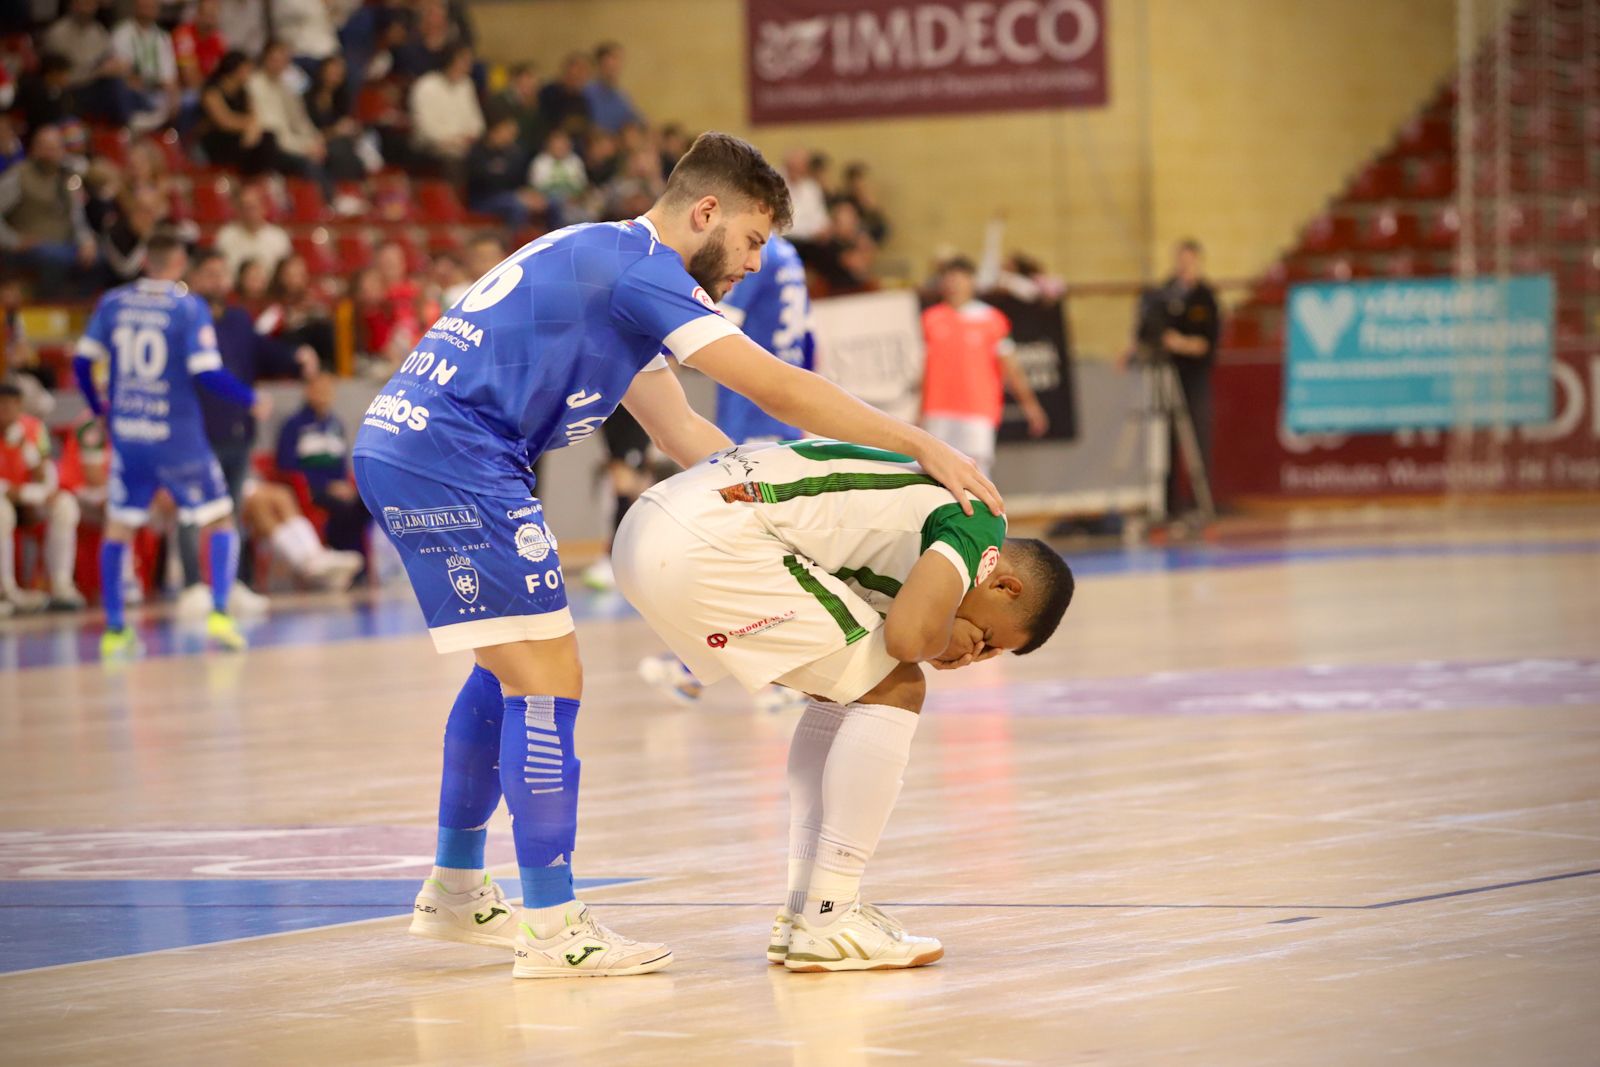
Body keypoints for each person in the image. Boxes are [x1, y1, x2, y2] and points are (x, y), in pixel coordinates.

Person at [349, 131, 999, 978]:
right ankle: (553, 928)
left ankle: (456, 887)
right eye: (755, 239)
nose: (758, 264)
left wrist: (775, 517)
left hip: (410, 445)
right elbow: (773, 384)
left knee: (505, 668)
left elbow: (683, 430)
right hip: (457, 456)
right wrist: (921, 444)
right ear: (705, 212)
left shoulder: (608, 266)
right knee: (548, 680)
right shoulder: (641, 268)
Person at [612, 439, 1073, 971]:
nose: (978, 653)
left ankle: (805, 909)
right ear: (1005, 585)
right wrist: (939, 637)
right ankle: (830, 917)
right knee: (898, 686)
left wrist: (934, 630)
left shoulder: (911, 530)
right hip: (709, 542)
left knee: (849, 689)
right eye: (989, 638)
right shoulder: (980, 527)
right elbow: (907, 640)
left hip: (649, 529)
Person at [637, 233, 814, 707]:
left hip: (753, 417)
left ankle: (747, 671)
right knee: (757, 549)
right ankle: (703, 669)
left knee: (748, 550)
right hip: (775, 420)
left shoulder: (761, 258)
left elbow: (711, 328)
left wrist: (638, 347)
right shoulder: (789, 257)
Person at [72, 232, 260, 655]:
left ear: (145, 261)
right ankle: (219, 614)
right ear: (178, 263)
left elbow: (82, 362)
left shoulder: (114, 302)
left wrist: (100, 409)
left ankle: (115, 630)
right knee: (220, 521)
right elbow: (207, 372)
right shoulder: (186, 307)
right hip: (177, 437)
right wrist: (251, 399)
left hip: (130, 434)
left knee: (118, 527)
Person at [176, 245, 316, 615]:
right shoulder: (184, 319)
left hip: (236, 433)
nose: (218, 281)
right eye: (210, 273)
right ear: (192, 277)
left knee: (234, 512)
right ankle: (193, 588)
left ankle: (233, 584)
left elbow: (262, 350)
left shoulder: (237, 319)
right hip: (195, 434)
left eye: (222, 273)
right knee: (192, 513)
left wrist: (297, 358)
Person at [920, 257, 1049, 476]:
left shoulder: (991, 320)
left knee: (977, 474)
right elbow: (921, 370)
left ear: (971, 281)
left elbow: (1011, 367)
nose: (953, 284)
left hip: (977, 410)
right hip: (936, 410)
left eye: (959, 278)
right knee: (934, 473)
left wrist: (1030, 406)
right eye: (948, 278)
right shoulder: (930, 319)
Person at [1122, 238, 1221, 521]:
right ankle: (1168, 505)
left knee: (1196, 439)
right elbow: (1148, 327)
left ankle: (1200, 503)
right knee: (1164, 442)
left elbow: (1207, 343)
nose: (1184, 266)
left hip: (1194, 377)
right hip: (1164, 374)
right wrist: (1133, 348)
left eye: (1189, 260)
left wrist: (1180, 343)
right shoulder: (1163, 293)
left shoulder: (1205, 297)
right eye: (1180, 260)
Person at [0, 379, 86, 614]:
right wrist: (23, 493)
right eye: (1, 405)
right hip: (6, 503)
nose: (6, 410)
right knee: (1, 511)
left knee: (65, 505)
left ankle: (61, 586)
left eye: (12, 404)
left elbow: (45, 473)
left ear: (20, 406)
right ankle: (5, 591)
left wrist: (26, 450)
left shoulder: (33, 428)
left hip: (26, 500)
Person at [274, 372, 369, 562]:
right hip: (310, 488)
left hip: (337, 486)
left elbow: (342, 462)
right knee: (342, 507)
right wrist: (325, 484)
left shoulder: (336, 425)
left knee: (366, 504)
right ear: (308, 392)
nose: (324, 395)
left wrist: (343, 484)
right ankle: (338, 554)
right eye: (319, 390)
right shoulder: (294, 426)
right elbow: (285, 463)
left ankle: (358, 562)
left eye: (328, 390)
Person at [0, 126, 99, 293]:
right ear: (34, 149)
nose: (49, 154)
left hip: (64, 244)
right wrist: (14, 240)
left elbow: (77, 216)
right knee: (54, 257)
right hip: (28, 248)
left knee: (101, 259)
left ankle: (76, 305)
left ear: (62, 151)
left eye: (54, 148)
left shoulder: (69, 177)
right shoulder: (19, 175)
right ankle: (45, 301)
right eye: (44, 147)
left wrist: (87, 241)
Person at [408, 44, 482, 178]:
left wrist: (468, 137)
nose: (469, 67)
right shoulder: (426, 85)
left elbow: (476, 122)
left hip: (463, 145)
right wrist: (452, 140)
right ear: (450, 60)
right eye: (464, 61)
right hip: (431, 148)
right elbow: (425, 128)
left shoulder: (466, 85)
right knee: (453, 161)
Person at [109, 0, 180, 133]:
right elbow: (125, 74)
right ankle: (132, 128)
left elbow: (169, 79)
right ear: (136, 6)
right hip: (133, 92)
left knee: (188, 100)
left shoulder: (163, 37)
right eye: (144, 5)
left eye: (152, 5)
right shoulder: (122, 33)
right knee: (120, 86)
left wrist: (174, 96)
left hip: (157, 92)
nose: (147, 8)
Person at [214, 183, 291, 279]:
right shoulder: (226, 236)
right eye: (245, 207)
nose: (249, 212)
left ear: (264, 207)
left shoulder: (279, 237)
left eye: (253, 207)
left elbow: (284, 274)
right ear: (237, 209)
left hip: (271, 292)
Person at [582, 42, 640, 134]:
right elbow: (587, 125)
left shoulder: (622, 95)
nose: (616, 65)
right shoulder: (587, 92)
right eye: (612, 58)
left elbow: (636, 120)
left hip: (618, 144)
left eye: (619, 59)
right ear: (600, 63)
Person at [537, 52, 591, 139]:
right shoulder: (548, 92)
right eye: (579, 69)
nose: (581, 75)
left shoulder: (582, 99)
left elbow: (583, 126)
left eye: (585, 71)